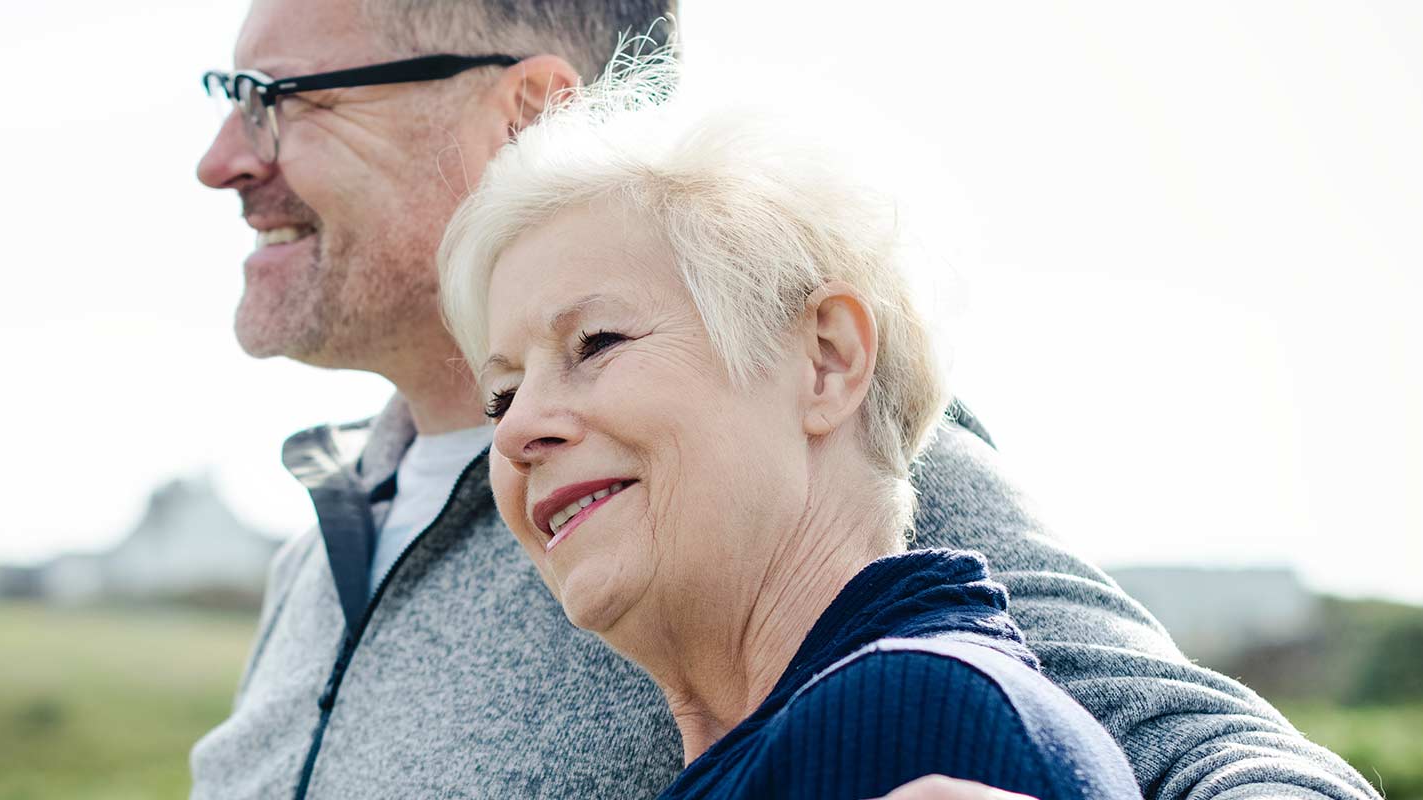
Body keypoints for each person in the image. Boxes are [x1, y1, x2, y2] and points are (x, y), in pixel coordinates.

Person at [187, 2, 1377, 798]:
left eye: (277, 96)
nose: (223, 158)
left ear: (533, 112)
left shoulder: (805, 456)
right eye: (507, 389)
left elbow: (1210, 750)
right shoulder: (325, 538)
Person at [434, 54, 1137, 799]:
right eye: (501, 396)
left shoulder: (909, 721)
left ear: (827, 362)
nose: (514, 435)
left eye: (598, 342)